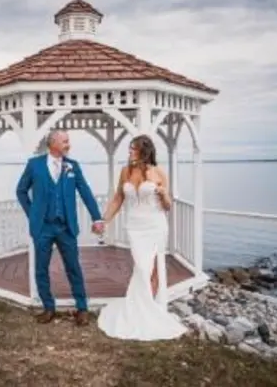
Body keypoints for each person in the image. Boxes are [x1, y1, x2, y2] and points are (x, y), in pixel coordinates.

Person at [96, 134, 187, 341]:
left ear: (145, 151)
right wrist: (104, 220)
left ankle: (148, 309)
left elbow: (168, 206)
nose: (130, 152)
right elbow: (118, 198)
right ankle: (142, 308)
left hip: (155, 226)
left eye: (133, 148)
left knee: (150, 268)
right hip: (134, 227)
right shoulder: (125, 171)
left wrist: (163, 194)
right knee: (141, 266)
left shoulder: (158, 172)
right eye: (130, 148)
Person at [16, 130, 104, 326]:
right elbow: (21, 191)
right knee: (41, 268)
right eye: (64, 141)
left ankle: (82, 308)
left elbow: (85, 192)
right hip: (43, 228)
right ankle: (48, 307)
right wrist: (32, 213)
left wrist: (97, 217)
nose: (68, 145)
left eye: (67, 141)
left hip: (66, 227)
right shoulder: (34, 165)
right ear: (52, 143)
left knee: (73, 267)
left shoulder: (73, 166)